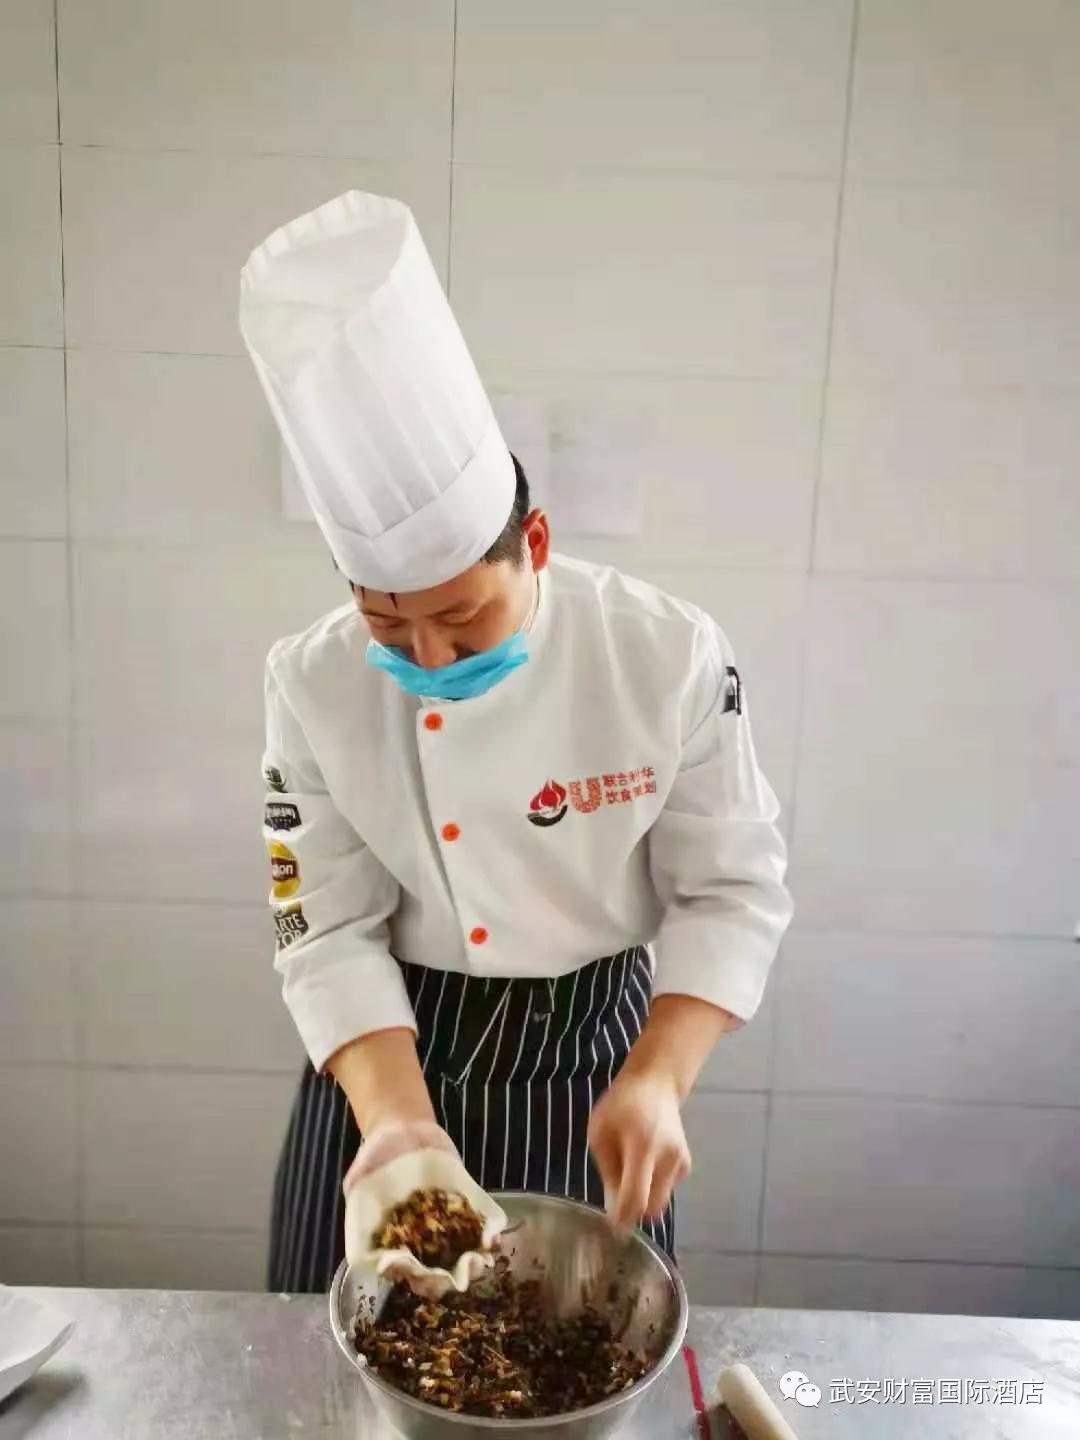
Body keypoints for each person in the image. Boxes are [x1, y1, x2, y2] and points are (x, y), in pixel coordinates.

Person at [240, 190, 793, 1295]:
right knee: (337, 1349)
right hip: (392, 1054)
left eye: (462, 617)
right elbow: (326, 923)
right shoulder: (309, 680)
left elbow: (731, 889)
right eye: (387, 624)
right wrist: (398, 1126)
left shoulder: (662, 654)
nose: (428, 656)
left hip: (592, 1063)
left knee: (576, 1349)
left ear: (533, 542)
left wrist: (660, 1078)